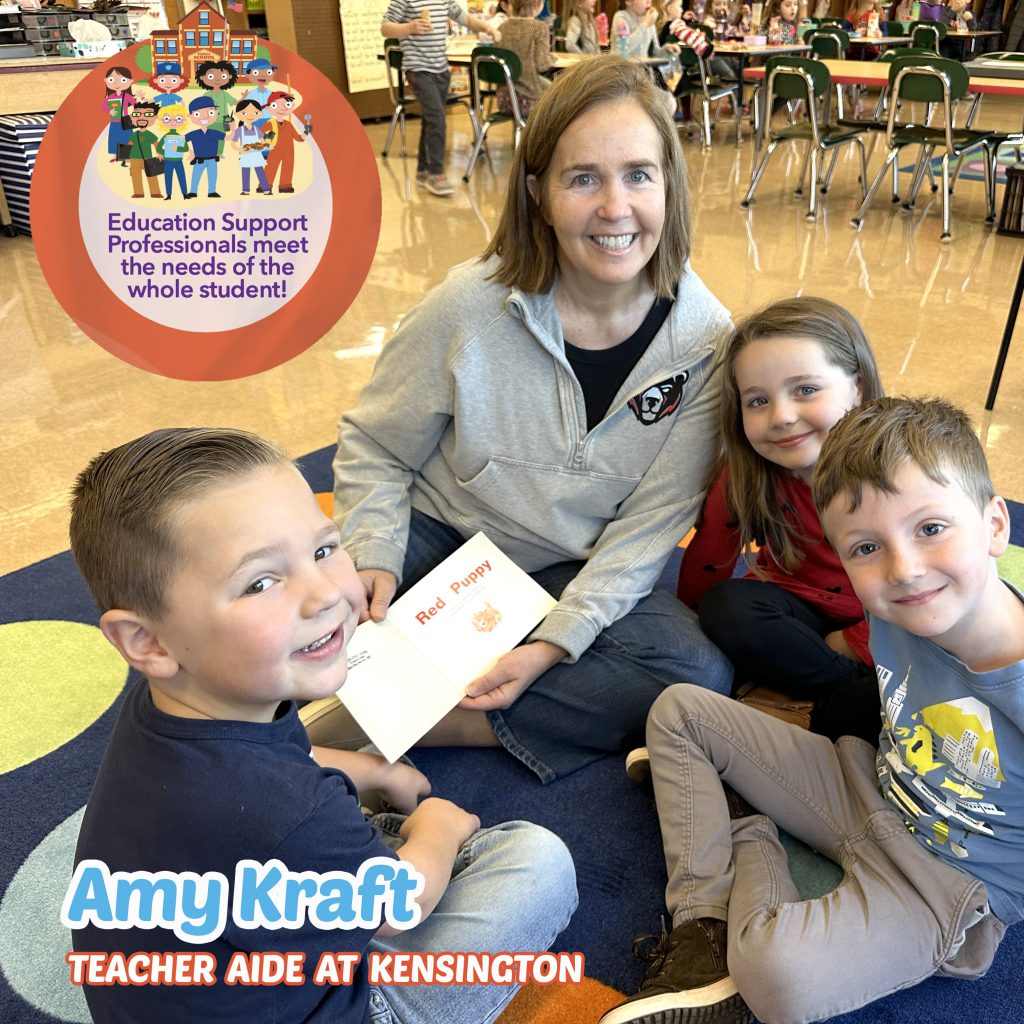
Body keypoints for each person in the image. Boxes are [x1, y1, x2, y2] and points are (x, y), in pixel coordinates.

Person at [67, 427, 577, 1024]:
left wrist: (368, 768)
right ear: (146, 640)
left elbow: (273, 771)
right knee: (536, 862)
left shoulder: (178, 704)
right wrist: (438, 828)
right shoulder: (281, 810)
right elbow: (396, 906)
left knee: (350, 831)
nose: (324, 594)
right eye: (261, 582)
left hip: (194, 970)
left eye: (323, 549)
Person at [323, 57, 734, 786]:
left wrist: (551, 646)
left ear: (669, 185)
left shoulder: (707, 342)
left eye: (639, 174)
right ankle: (358, 699)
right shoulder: (466, 307)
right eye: (584, 179)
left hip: (570, 567)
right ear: (538, 191)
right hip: (443, 541)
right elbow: (376, 448)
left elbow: (646, 532)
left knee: (693, 670)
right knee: (299, 612)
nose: (616, 207)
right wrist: (375, 556)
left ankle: (445, 723)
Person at [600, 395, 1023, 1024]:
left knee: (779, 977)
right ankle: (703, 929)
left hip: (950, 890)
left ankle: (742, 822)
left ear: (995, 526)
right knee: (680, 711)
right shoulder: (893, 614)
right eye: (865, 548)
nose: (904, 570)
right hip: (866, 789)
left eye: (931, 529)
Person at [676, 297, 883, 742]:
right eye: (758, 401)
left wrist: (849, 644)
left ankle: (794, 708)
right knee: (727, 610)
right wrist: (690, 632)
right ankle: (831, 702)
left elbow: (924, 584)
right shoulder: (747, 472)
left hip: (886, 618)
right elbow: (710, 557)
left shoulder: (895, 472)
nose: (783, 417)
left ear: (858, 387)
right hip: (792, 611)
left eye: (806, 390)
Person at [381, 0, 500, 198]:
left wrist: (488, 27)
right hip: (418, 70)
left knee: (431, 120)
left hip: (441, 71)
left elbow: (465, 18)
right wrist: (409, 27)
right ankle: (436, 173)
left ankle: (423, 170)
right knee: (437, 118)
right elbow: (386, 28)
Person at [496, 0, 554, 118]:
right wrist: (551, 58)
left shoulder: (502, 28)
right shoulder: (540, 28)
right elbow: (543, 65)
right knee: (559, 91)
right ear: (538, 4)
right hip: (529, 100)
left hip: (505, 100)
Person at [184, 95, 224, 199]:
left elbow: (228, 138)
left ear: (216, 113)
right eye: (197, 114)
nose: (205, 117)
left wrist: (232, 127)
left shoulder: (214, 132)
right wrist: (190, 151)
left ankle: (212, 192)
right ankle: (193, 191)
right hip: (199, 160)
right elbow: (181, 141)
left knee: (212, 176)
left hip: (212, 159)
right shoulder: (194, 133)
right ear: (190, 116)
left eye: (210, 113)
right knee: (196, 176)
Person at [231, 98, 272, 196]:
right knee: (245, 172)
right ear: (238, 115)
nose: (250, 115)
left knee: (260, 172)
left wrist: (267, 146)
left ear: (260, 114)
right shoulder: (239, 130)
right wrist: (240, 150)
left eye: (255, 112)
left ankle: (266, 189)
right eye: (244, 113)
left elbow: (262, 141)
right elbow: (233, 143)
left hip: (256, 154)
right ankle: (246, 190)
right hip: (245, 155)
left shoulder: (256, 129)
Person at [124, 100, 163, 200]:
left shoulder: (149, 134)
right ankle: (138, 193)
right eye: (137, 114)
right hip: (134, 159)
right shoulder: (134, 134)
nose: (141, 118)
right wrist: (126, 157)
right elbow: (129, 145)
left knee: (151, 175)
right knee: (135, 176)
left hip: (147, 158)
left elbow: (156, 143)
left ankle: (155, 192)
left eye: (148, 114)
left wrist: (159, 152)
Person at [612, 0, 681, 55]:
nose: (649, 1)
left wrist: (665, 49)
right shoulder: (621, 18)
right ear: (629, 1)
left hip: (641, 69)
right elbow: (623, 50)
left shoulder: (647, 19)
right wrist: (645, 25)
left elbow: (655, 51)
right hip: (622, 69)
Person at [154, 103, 189, 201]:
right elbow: (159, 147)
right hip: (168, 160)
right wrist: (166, 152)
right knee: (168, 177)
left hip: (178, 160)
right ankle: (168, 195)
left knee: (181, 176)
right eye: (168, 119)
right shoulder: (166, 136)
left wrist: (177, 149)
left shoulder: (180, 136)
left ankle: (184, 194)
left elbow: (186, 148)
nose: (172, 122)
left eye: (177, 119)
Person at [102, 66, 135, 165]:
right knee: (114, 138)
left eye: (123, 80)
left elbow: (135, 104)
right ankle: (116, 155)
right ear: (106, 80)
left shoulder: (127, 96)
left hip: (125, 121)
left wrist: (134, 115)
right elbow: (103, 106)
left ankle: (125, 157)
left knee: (126, 138)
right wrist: (109, 111)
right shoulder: (110, 97)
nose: (117, 83)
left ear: (130, 81)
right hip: (114, 122)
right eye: (112, 79)